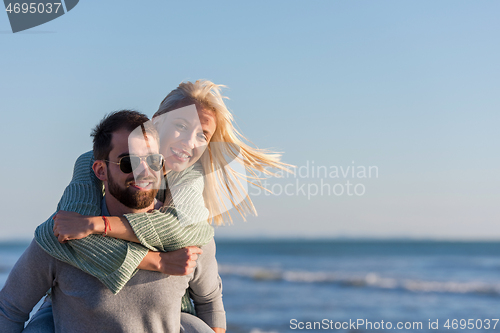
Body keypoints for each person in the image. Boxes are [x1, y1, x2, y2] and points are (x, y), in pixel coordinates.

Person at [29, 80, 292, 330]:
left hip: (168, 315)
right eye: (181, 125)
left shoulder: (189, 177)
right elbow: (67, 232)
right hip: (69, 307)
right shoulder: (92, 161)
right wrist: (157, 261)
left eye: (202, 135)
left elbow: (180, 229)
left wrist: (98, 225)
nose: (189, 143)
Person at [0, 110, 225, 332]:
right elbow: (10, 309)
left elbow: (209, 303)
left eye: (153, 161)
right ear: (100, 170)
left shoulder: (189, 237)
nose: (143, 172)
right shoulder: (62, 233)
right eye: (128, 162)